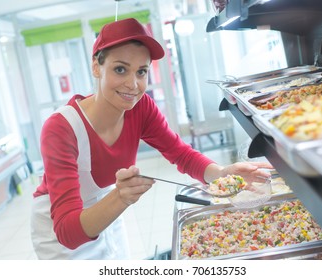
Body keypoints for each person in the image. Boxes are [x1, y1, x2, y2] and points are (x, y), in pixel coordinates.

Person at [30, 18, 272, 260]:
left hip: (106, 210)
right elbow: (67, 233)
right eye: (120, 69)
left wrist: (221, 175)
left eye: (141, 71)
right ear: (96, 66)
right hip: (62, 231)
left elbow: (180, 153)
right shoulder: (61, 128)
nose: (133, 85)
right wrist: (120, 196)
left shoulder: (140, 107)